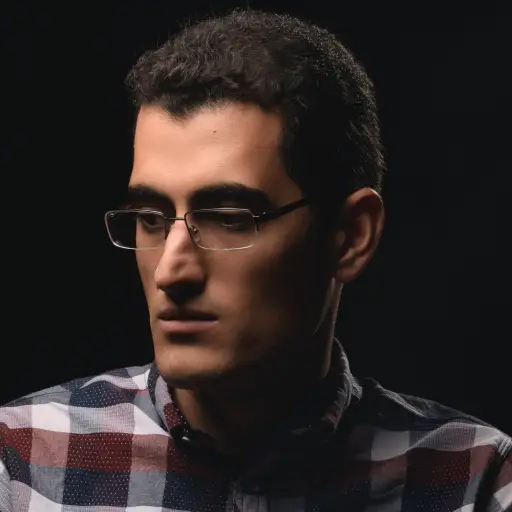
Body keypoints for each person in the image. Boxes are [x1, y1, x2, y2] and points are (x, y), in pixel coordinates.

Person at [1, 8, 510, 512]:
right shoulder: (19, 464)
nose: (171, 271)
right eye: (151, 218)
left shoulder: (476, 482)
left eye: (228, 218)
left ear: (351, 237)